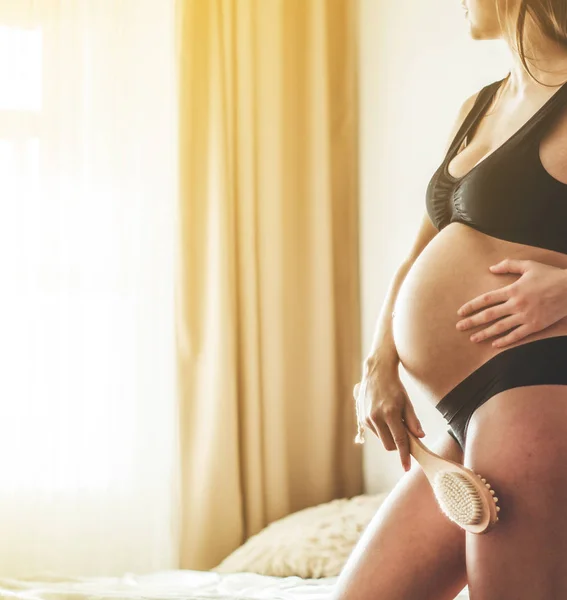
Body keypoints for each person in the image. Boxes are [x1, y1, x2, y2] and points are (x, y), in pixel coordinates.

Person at [332, 1, 567, 599]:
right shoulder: (479, 107)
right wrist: (379, 361)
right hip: (462, 416)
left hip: (531, 387)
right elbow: (419, 252)